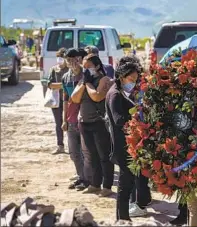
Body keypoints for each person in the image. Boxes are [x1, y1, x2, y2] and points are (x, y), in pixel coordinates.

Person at [105, 55, 152, 220]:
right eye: (130, 78)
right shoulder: (115, 95)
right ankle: (122, 218)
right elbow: (119, 120)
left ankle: (123, 217)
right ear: (121, 76)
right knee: (125, 186)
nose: (132, 81)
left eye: (135, 78)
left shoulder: (122, 93)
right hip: (122, 147)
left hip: (127, 146)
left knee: (128, 184)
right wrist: (136, 119)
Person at [71, 54, 115, 197]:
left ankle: (107, 186)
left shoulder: (104, 79)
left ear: (96, 66)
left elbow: (96, 96)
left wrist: (88, 84)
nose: (85, 69)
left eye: (88, 66)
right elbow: (74, 98)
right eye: (84, 67)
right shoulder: (84, 81)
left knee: (104, 156)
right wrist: (84, 83)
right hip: (85, 123)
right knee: (91, 156)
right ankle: (95, 184)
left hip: (99, 122)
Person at [61, 48, 89, 191]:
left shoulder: (87, 75)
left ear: (80, 59)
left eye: (75, 59)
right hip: (71, 119)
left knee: (86, 152)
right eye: (68, 60)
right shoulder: (65, 77)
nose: (72, 63)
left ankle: (88, 180)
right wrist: (64, 120)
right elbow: (65, 100)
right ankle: (81, 177)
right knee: (74, 153)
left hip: (85, 118)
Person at [48, 48, 69, 154]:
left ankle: (73, 145)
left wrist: (60, 86)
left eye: (62, 57)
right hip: (57, 100)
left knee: (70, 122)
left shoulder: (70, 70)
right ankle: (60, 145)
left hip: (69, 100)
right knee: (58, 123)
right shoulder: (53, 69)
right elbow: (50, 84)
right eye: (58, 57)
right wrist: (64, 85)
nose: (60, 60)